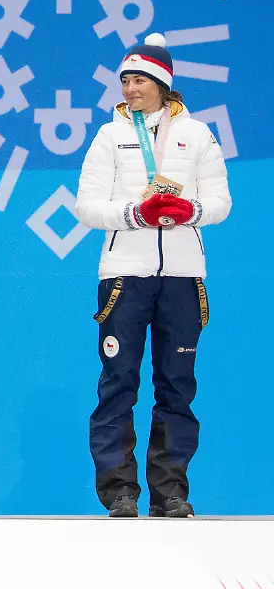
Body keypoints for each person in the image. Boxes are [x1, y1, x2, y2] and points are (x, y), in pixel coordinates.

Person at [75, 32, 231, 518]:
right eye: (125, 80)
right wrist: (136, 214)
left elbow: (222, 203)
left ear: (163, 82)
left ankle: (171, 493)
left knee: (178, 384)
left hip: (184, 275)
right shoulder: (109, 136)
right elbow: (86, 206)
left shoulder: (199, 134)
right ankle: (120, 492)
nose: (129, 89)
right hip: (125, 273)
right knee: (118, 381)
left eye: (139, 79)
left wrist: (190, 209)